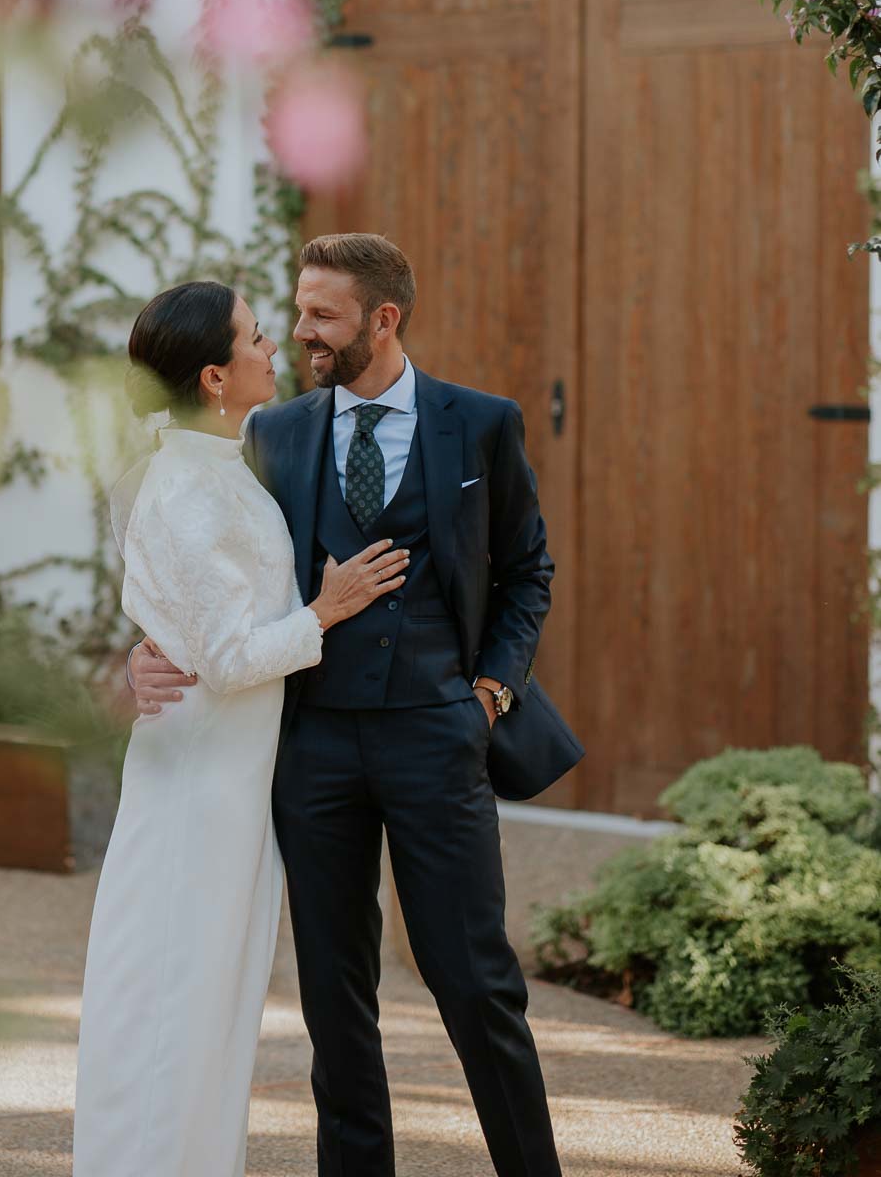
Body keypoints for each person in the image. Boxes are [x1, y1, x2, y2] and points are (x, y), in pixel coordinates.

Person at [131, 232, 579, 1177]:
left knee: (476, 981)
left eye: (322, 315)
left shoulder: (481, 424)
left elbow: (528, 569)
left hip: (435, 735)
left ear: (385, 317)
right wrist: (151, 646)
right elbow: (218, 572)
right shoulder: (276, 430)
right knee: (335, 999)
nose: (301, 334)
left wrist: (491, 691)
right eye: (293, 313)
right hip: (313, 745)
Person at [72, 278, 410, 1177]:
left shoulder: (223, 465)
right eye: (258, 339)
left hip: (235, 780)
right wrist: (329, 610)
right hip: (197, 789)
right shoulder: (183, 493)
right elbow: (223, 659)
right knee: (172, 1004)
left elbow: (198, 620)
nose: (276, 349)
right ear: (217, 378)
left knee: (213, 1009)